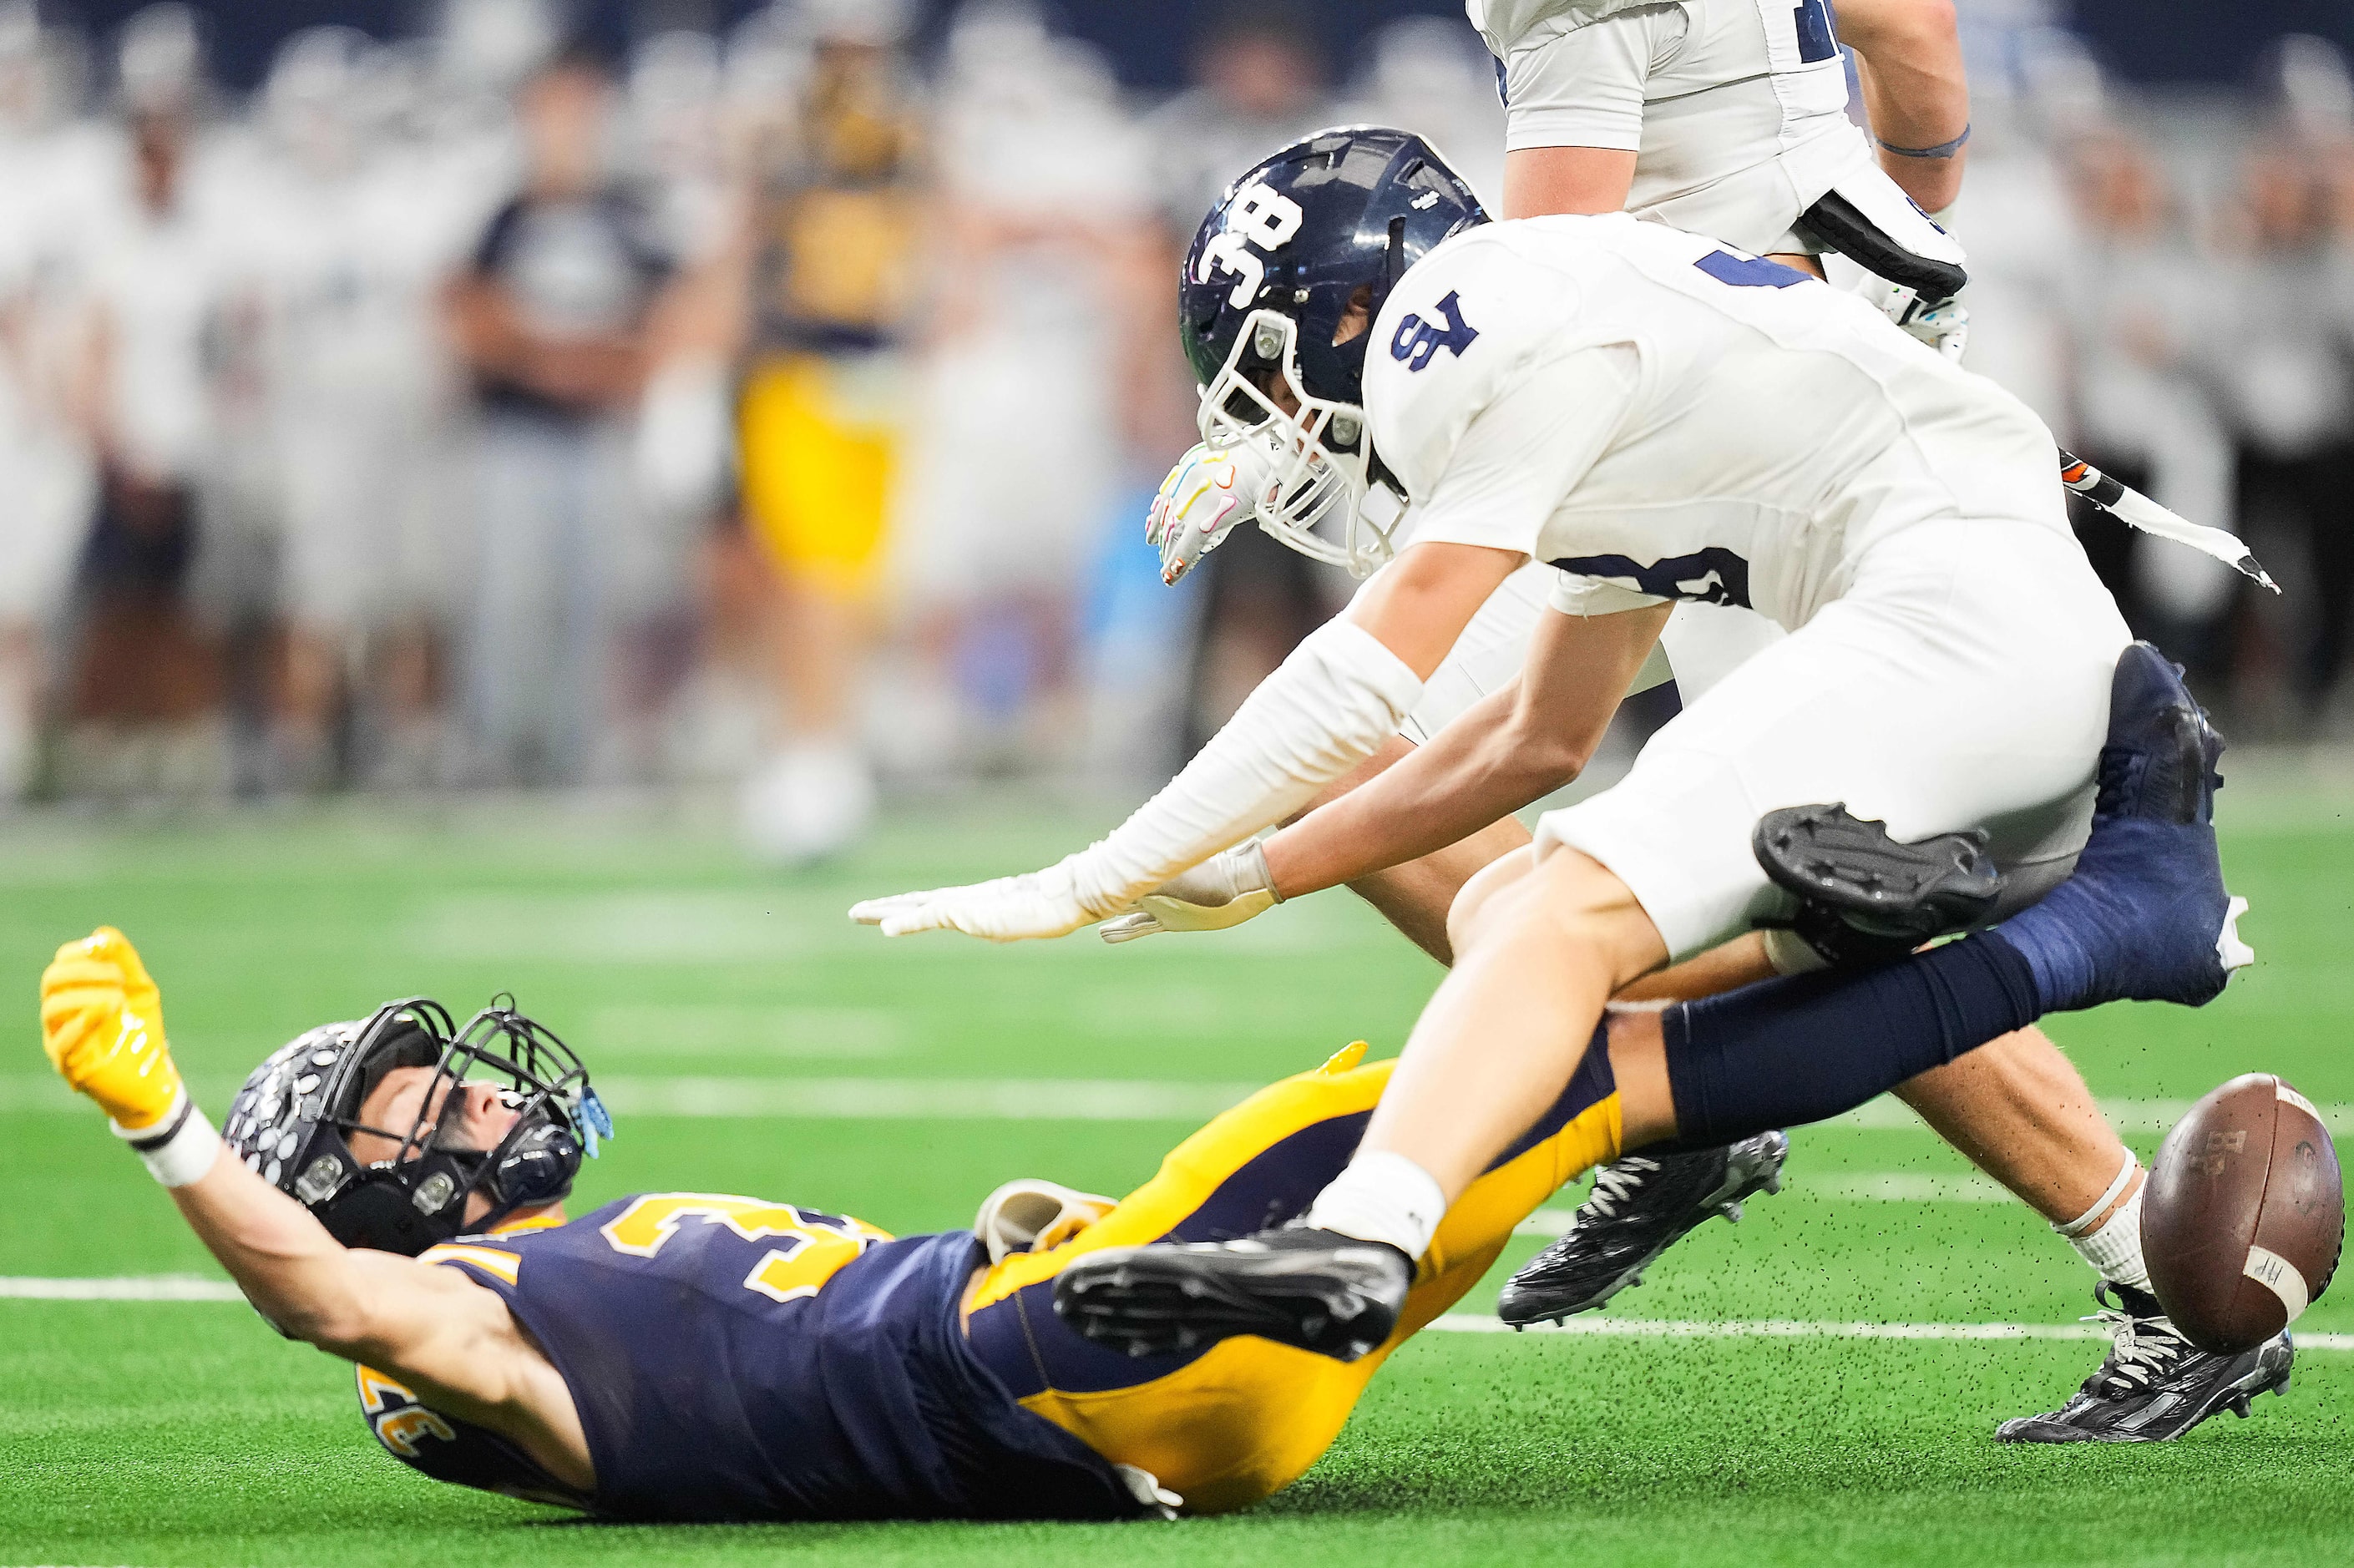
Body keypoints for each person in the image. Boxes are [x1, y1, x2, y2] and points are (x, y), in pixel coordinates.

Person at [35, 705, 2256, 1520]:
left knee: (1598, 1069)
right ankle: (2105, 908)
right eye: (406, 1099)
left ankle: (1957, 927)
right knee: (1556, 1019)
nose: (459, 1099)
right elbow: (332, 1298)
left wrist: (1023, 1212)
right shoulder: (461, 1329)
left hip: (1101, 1335)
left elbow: (808, 1334)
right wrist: (168, 1139)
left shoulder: (553, 1301)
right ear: (354, 1184)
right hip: (1096, 1351)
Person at [849, 129, 2255, 1409]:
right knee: (1512, 913)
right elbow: (1532, 739)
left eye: (1272, 378)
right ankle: (1942, 927)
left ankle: (1361, 1238)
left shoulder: (1454, 329)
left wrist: (1090, 873)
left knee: (1573, 902)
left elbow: (1368, 675)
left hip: (1956, 608)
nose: (1279, 427)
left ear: (1352, 308)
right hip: (1966, 627)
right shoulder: (1586, 395)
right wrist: (1264, 870)